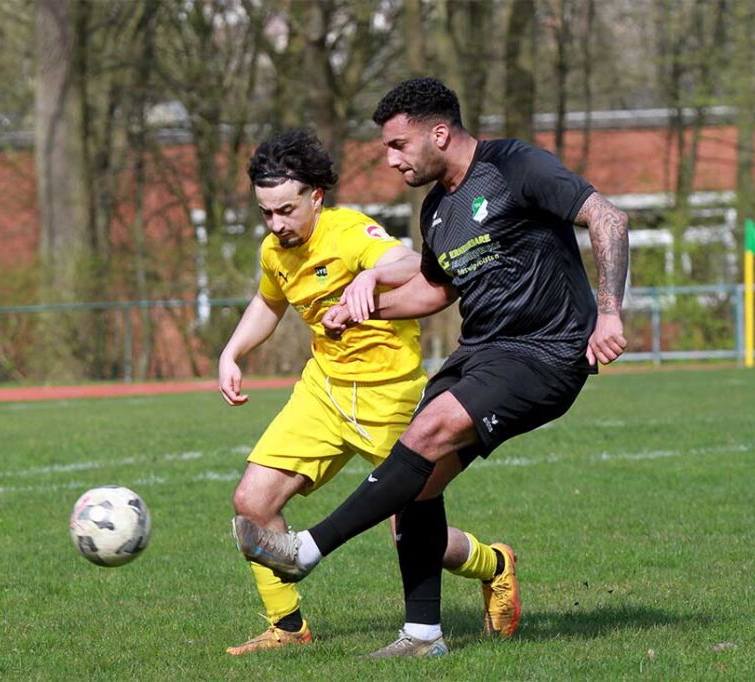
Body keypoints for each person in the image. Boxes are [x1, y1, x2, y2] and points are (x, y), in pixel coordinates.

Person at [233, 78, 630, 658]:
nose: (391, 160)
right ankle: (423, 636)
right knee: (418, 483)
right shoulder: (439, 211)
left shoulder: (513, 165)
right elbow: (433, 291)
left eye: (398, 145)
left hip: (545, 349)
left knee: (425, 432)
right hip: (482, 352)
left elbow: (609, 218)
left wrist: (610, 313)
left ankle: (306, 550)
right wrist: (362, 310)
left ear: (438, 133)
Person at [221, 128, 520, 656]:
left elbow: (410, 264)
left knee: (410, 531)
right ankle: (287, 628)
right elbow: (268, 304)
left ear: (316, 196)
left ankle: (493, 564)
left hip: (391, 398)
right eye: (266, 213)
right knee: (251, 503)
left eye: (286, 210)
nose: (276, 224)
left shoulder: (349, 231)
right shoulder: (275, 250)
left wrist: (370, 278)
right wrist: (232, 352)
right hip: (324, 393)